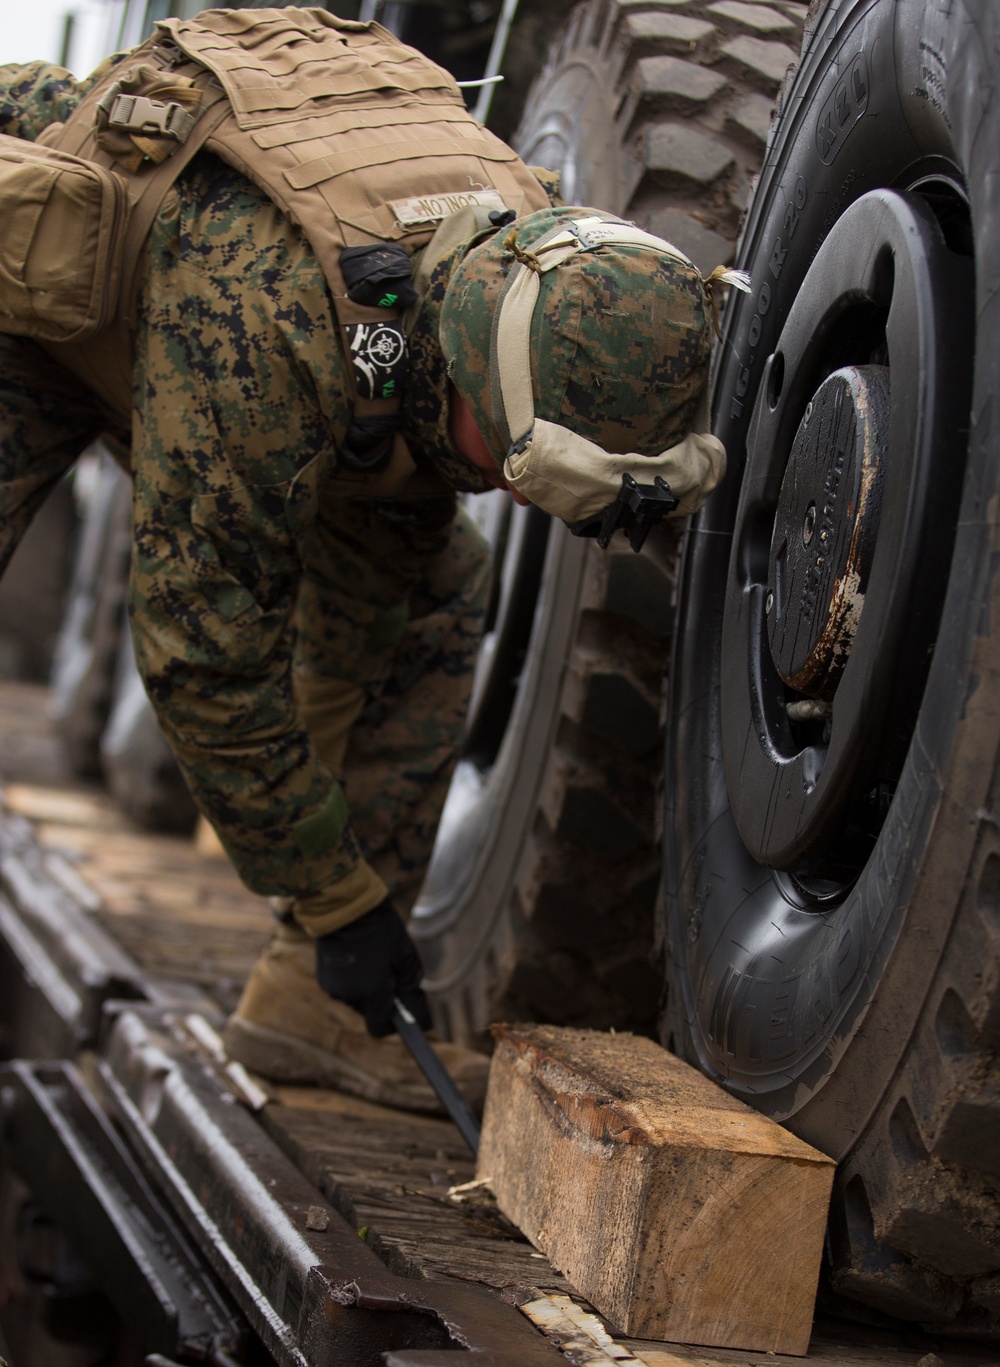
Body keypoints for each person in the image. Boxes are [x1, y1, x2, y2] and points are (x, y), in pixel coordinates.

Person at [0, 9, 727, 1114]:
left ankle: (313, 1014)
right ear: (477, 385)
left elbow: (400, 529)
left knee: (433, 596)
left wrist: (338, 911)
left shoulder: (551, 279)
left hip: (246, 311)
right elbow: (203, 654)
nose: (523, 496)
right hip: (52, 276)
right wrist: (337, 897)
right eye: (527, 465)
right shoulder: (270, 332)